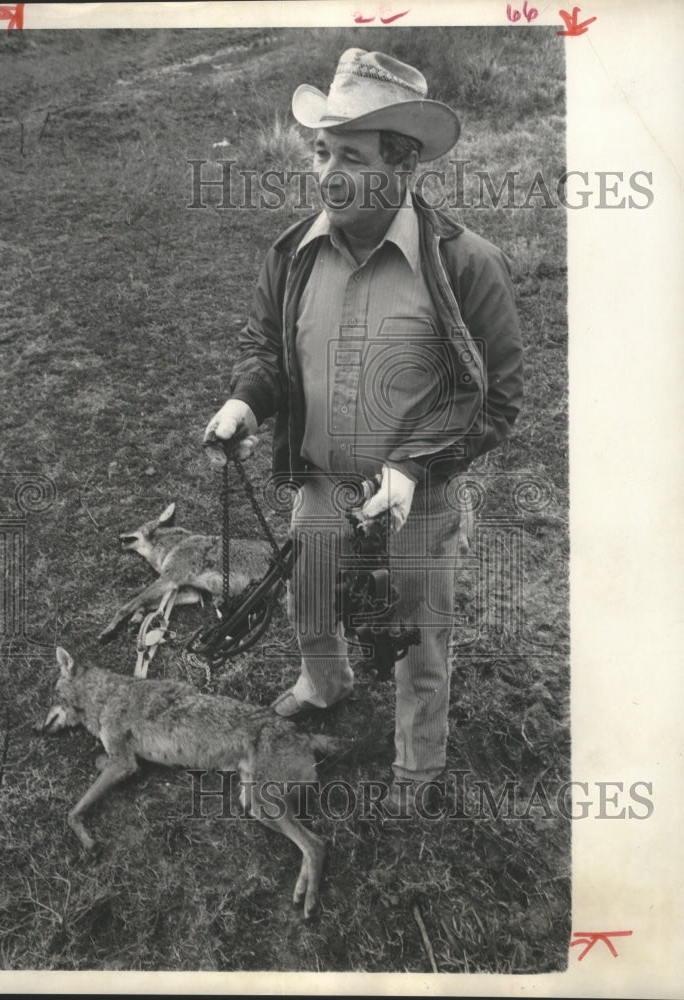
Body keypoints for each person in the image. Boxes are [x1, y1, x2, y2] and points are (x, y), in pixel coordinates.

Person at [203, 48, 523, 812]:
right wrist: (247, 401)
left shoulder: (466, 265)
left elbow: (499, 399)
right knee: (308, 602)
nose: (325, 170)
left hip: (422, 501)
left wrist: (413, 467)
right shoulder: (291, 253)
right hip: (320, 484)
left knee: (417, 638)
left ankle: (417, 763)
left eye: (350, 154)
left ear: (401, 166)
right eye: (320, 151)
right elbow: (266, 351)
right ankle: (325, 681)